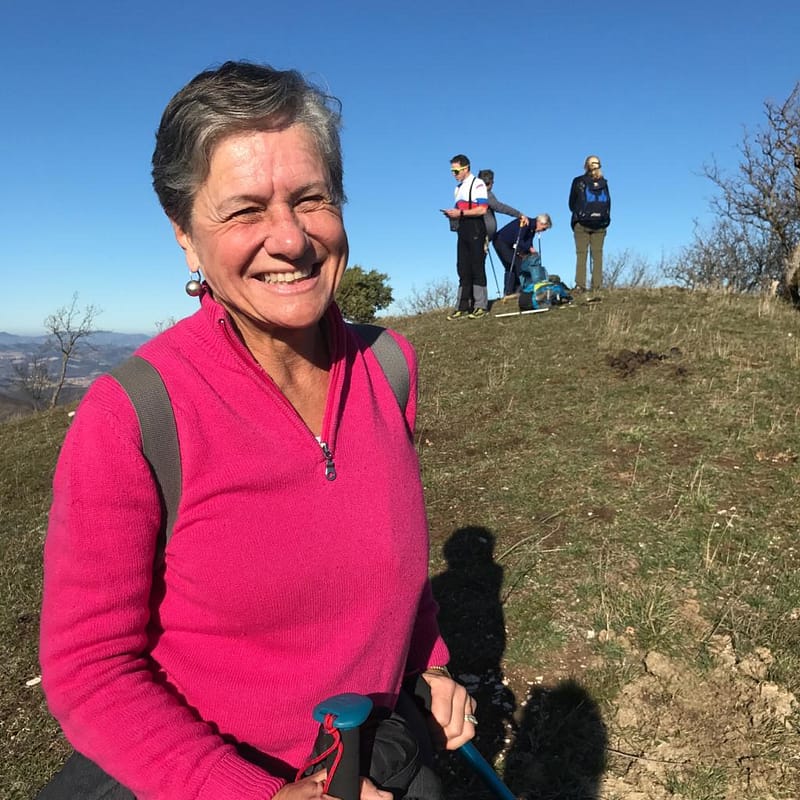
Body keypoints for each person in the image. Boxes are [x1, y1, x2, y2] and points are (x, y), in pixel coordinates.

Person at [39, 61, 475, 800]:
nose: (291, 239)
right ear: (185, 238)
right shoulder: (135, 415)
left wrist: (428, 663)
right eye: (244, 211)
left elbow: (392, 562)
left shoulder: (389, 366)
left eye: (312, 199)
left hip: (365, 761)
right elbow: (90, 668)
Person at [441, 155, 489, 319]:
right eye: (452, 171)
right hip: (463, 228)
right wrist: (452, 214)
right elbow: (459, 209)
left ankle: (480, 305)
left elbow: (482, 209)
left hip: (476, 227)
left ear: (466, 168)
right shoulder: (458, 188)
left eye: (456, 171)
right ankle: (462, 305)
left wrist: (461, 213)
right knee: (462, 266)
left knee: (477, 265)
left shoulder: (478, 184)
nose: (453, 174)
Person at [568, 155, 611, 292]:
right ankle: (597, 286)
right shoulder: (604, 183)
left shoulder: (578, 181)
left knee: (582, 254)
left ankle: (580, 285)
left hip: (581, 223)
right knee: (597, 255)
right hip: (601, 224)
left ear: (586, 166)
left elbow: (571, 204)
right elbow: (609, 203)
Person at [494, 214, 553, 295]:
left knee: (518, 264)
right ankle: (510, 291)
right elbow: (519, 240)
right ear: (541, 223)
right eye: (544, 229)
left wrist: (530, 252)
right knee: (513, 264)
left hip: (510, 244)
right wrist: (530, 249)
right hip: (501, 241)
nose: (542, 231)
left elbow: (528, 242)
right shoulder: (526, 223)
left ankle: (516, 290)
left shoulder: (532, 230)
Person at [476, 169, 529, 244]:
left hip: (478, 234)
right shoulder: (485, 193)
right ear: (490, 183)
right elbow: (499, 206)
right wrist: (519, 214)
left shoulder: (472, 194)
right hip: (481, 234)